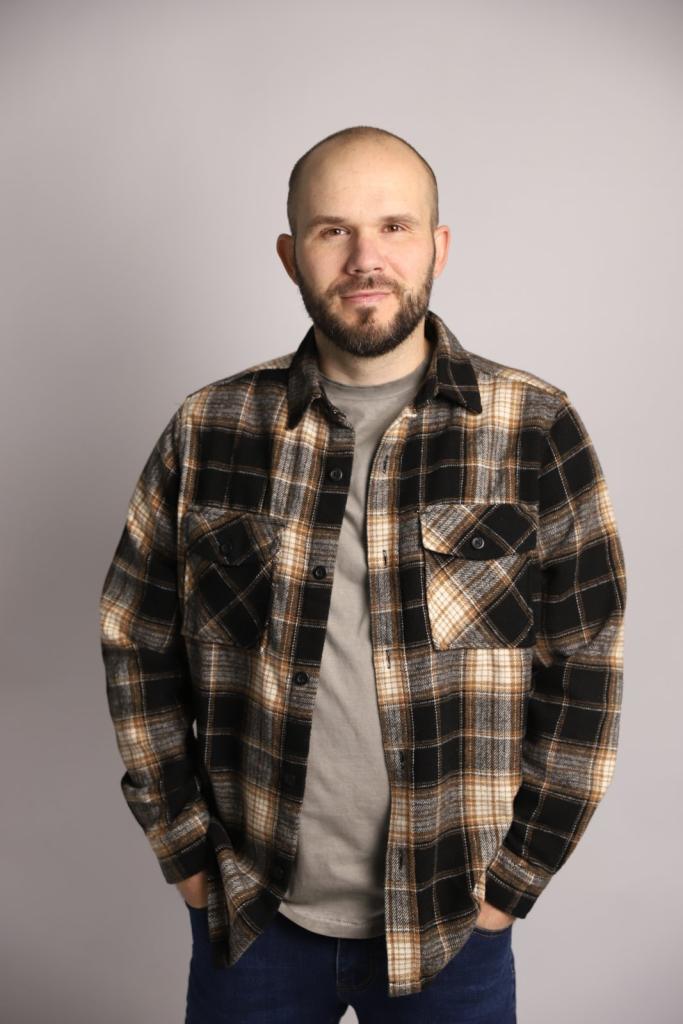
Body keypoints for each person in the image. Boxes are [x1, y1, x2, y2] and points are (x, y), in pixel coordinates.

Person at [99, 125, 627, 1023]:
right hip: (253, 917)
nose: (364, 258)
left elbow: (586, 664)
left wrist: (513, 882)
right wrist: (185, 852)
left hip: (453, 923)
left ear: (438, 246)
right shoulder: (210, 428)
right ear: (289, 255)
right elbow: (137, 640)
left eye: (393, 226)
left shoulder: (534, 428)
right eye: (332, 230)